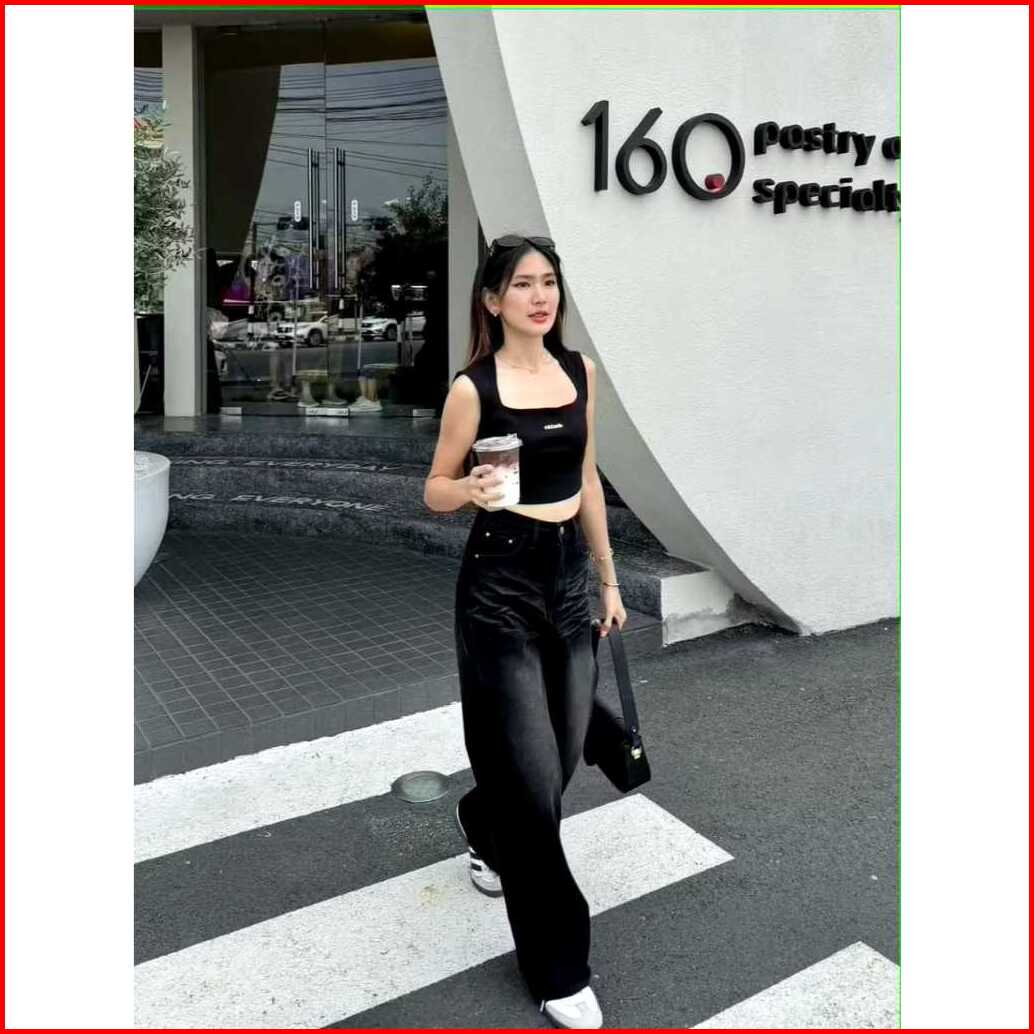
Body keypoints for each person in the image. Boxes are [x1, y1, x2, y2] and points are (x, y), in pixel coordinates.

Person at [423, 234, 627, 1029]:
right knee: (534, 780)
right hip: (499, 584)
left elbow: (588, 478)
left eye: (549, 282)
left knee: (562, 756)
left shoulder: (580, 373)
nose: (540, 297)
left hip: (569, 576)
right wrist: (468, 488)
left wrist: (607, 580)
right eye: (522, 285)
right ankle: (558, 966)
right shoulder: (473, 388)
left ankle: (483, 821)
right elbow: (435, 488)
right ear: (492, 299)